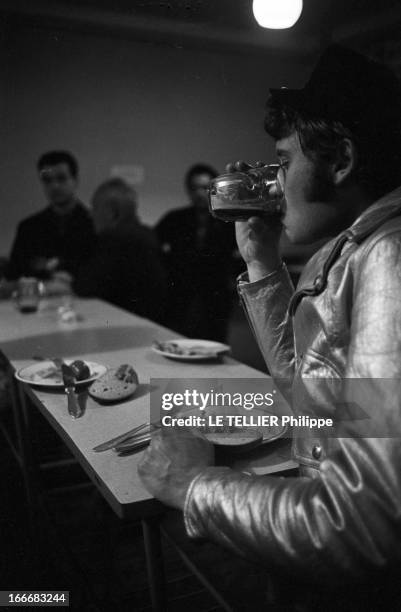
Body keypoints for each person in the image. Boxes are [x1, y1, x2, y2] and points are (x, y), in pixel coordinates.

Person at [138, 45, 401, 608]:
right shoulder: (360, 244)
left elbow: (362, 531)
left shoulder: (389, 255)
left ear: (342, 159)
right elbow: (311, 399)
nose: (274, 184)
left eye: (283, 163)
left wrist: (194, 487)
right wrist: (260, 259)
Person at [155, 163, 239, 341]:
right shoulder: (175, 219)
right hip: (180, 295)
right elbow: (154, 245)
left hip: (215, 297)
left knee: (214, 343)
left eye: (205, 187)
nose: (199, 193)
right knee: (177, 342)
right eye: (194, 188)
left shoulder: (228, 221)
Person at [74, 178, 167, 323]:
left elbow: (85, 287)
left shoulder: (113, 239)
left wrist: (68, 282)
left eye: (94, 208)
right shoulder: (147, 233)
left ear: (112, 213)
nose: (90, 214)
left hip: (126, 330)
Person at [5, 150, 95, 284]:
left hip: (87, 302)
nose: (54, 186)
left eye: (61, 178)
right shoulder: (28, 227)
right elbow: (13, 273)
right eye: (47, 180)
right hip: (41, 300)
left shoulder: (94, 224)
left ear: (75, 181)